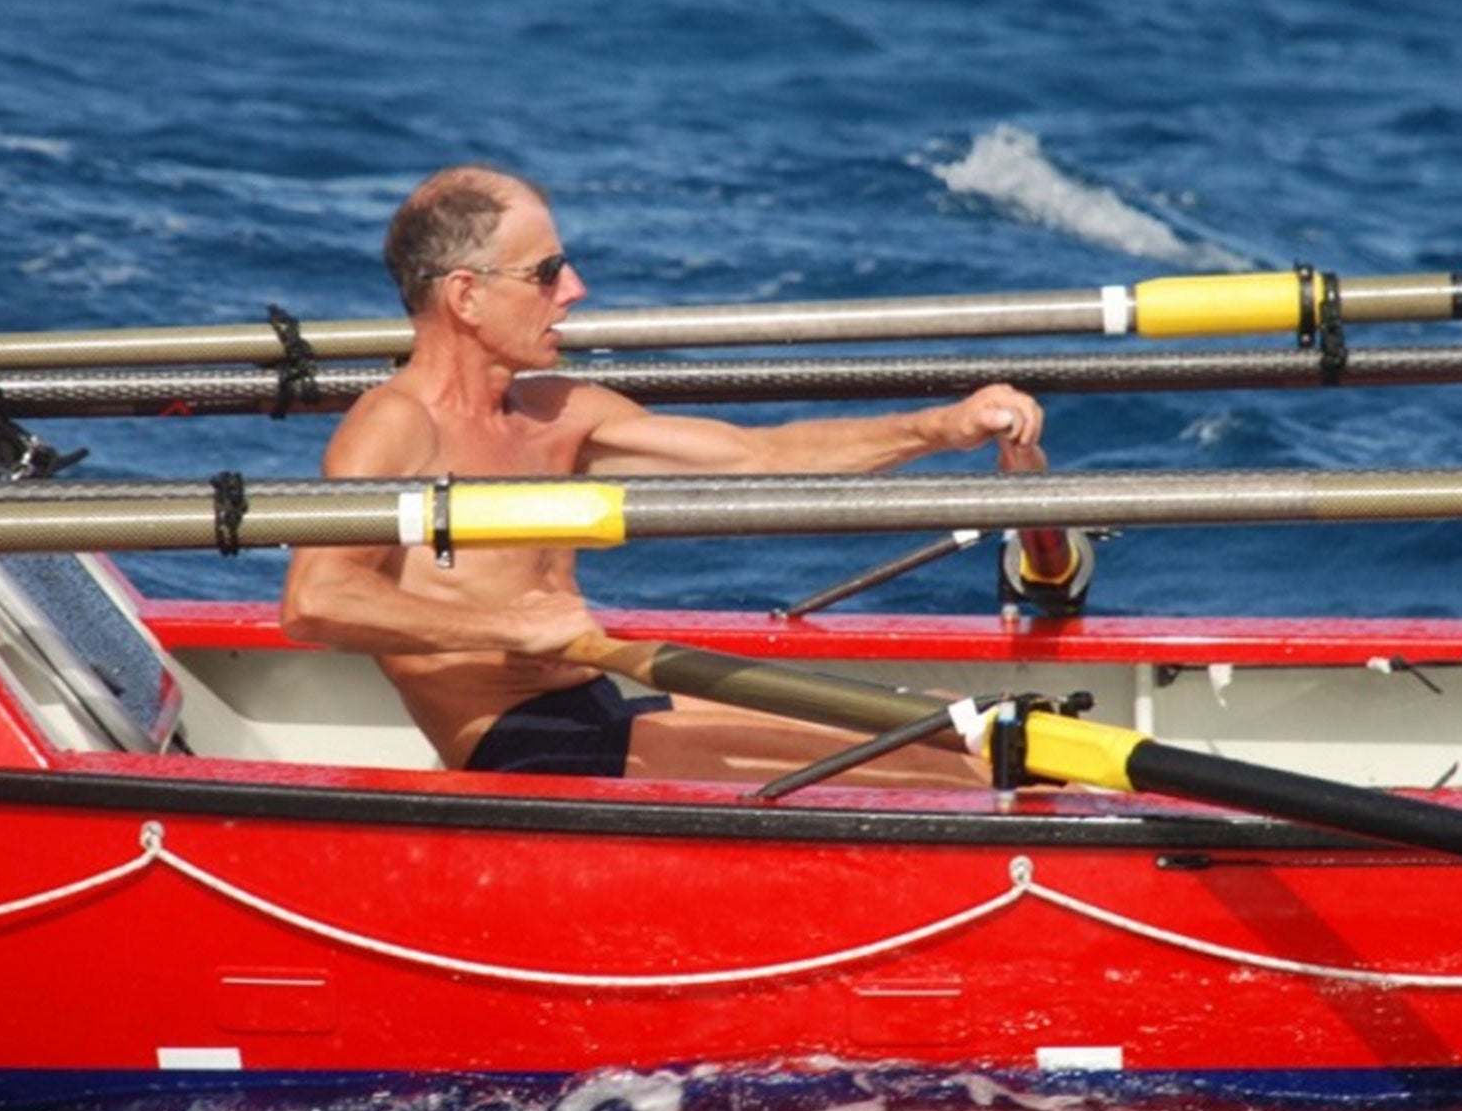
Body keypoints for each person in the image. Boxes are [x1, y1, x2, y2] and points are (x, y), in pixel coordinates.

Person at [280, 164, 1048, 784]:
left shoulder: (559, 411)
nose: (574, 290)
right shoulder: (396, 425)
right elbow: (316, 600)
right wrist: (501, 627)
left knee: (947, 725)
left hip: (602, 702)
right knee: (932, 777)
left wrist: (939, 427)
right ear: (466, 295)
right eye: (546, 272)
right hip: (521, 751)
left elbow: (761, 455)